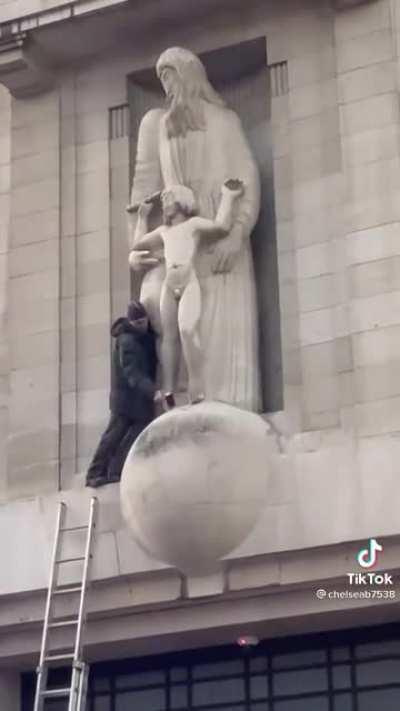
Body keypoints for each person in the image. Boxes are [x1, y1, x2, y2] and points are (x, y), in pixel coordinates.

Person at [127, 47, 261, 412]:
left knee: (215, 338)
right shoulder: (157, 124)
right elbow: (143, 196)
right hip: (177, 248)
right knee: (174, 331)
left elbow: (246, 180)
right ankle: (177, 403)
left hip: (220, 247)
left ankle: (228, 409)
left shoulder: (224, 121)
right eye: (161, 79)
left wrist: (237, 233)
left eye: (170, 75)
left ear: (187, 74)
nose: (166, 85)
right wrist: (134, 249)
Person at [130, 180, 244, 407]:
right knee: (169, 336)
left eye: (168, 200)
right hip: (169, 285)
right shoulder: (163, 231)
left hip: (188, 281)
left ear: (182, 202)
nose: (165, 206)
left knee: (187, 329)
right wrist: (142, 217)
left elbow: (221, 226)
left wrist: (228, 197)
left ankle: (196, 384)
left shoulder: (193, 225)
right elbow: (138, 245)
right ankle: (169, 390)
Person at [86, 301, 159, 488]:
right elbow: (132, 373)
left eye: (143, 322)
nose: (142, 326)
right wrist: (153, 392)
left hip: (138, 401)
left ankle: (115, 471)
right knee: (113, 436)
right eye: (138, 324)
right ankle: (95, 474)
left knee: (130, 436)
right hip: (126, 400)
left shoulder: (142, 337)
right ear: (131, 323)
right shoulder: (127, 341)